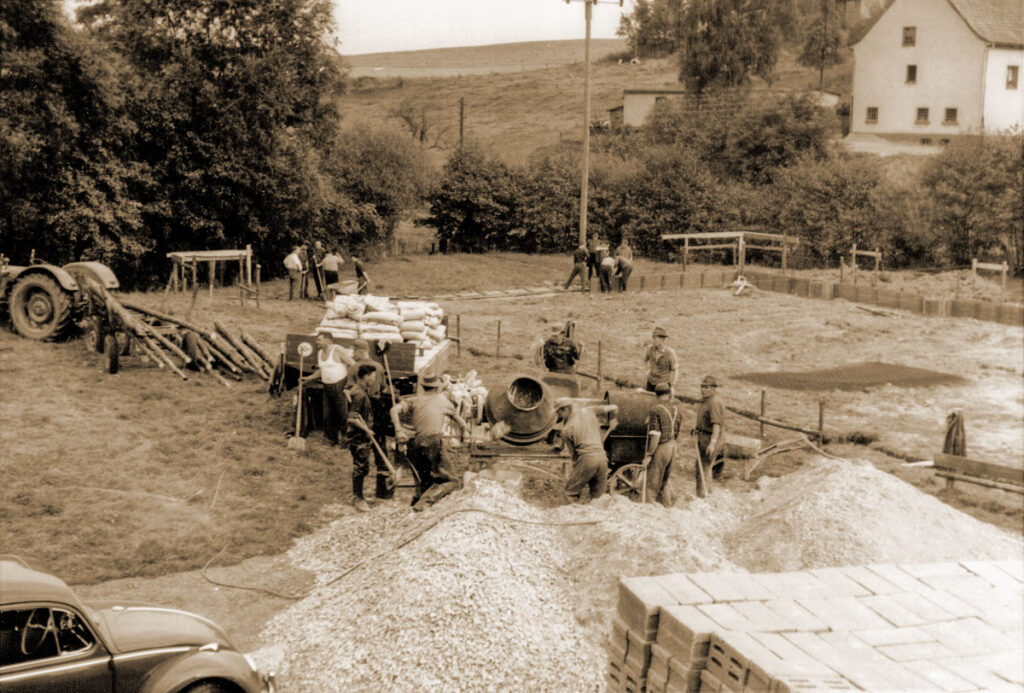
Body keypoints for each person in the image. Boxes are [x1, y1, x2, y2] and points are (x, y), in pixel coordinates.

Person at [390, 373, 469, 505]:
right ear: (437, 387)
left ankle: (417, 508)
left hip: (415, 444)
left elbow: (393, 410)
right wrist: (465, 432)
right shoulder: (444, 402)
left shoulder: (414, 400)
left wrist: (398, 431)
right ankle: (422, 505)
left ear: (423, 386)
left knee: (425, 481)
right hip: (433, 442)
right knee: (451, 481)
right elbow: (462, 423)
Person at [551, 397, 618, 502]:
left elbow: (575, 457)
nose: (558, 415)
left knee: (569, 493)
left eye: (558, 412)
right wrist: (613, 419)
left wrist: (576, 474)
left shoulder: (566, 430)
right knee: (598, 498)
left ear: (565, 409)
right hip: (602, 459)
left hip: (587, 460)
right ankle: (597, 517)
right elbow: (612, 407)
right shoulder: (589, 410)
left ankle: (574, 516)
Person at [303, 333, 355, 446]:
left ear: (327, 341)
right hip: (327, 386)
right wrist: (309, 378)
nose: (317, 342)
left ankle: (347, 440)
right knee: (328, 413)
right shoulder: (320, 353)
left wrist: (349, 383)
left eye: (319, 340)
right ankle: (331, 440)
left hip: (340, 385)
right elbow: (321, 370)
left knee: (342, 414)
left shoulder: (337, 350)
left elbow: (352, 364)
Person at [346, 364, 381, 512]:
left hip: (359, 434)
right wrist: (366, 430)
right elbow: (352, 419)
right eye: (372, 376)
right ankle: (358, 499)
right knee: (361, 467)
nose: (374, 379)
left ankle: (356, 495)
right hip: (359, 436)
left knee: (360, 466)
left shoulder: (357, 390)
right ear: (365, 376)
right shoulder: (359, 394)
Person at [644, 382, 682, 507]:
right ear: (668, 394)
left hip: (662, 448)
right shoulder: (676, 409)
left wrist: (649, 455)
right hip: (673, 447)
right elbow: (676, 431)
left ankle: (650, 507)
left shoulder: (656, 409)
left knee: (652, 483)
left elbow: (656, 436)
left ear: (656, 395)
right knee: (664, 482)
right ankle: (667, 507)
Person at [693, 375, 725, 498]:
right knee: (704, 467)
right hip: (703, 436)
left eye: (706, 387)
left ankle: (702, 496)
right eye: (702, 387)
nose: (703, 390)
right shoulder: (707, 400)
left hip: (710, 439)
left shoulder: (714, 402)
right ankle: (707, 493)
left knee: (703, 468)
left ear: (713, 388)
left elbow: (716, 424)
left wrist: (712, 443)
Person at [644, 327, 678, 394]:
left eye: (655, 338)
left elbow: (675, 370)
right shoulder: (650, 349)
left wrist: (672, 385)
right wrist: (647, 371)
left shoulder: (670, 353)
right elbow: (645, 359)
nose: (653, 340)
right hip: (651, 383)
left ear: (662, 339)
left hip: (663, 386)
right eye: (653, 338)